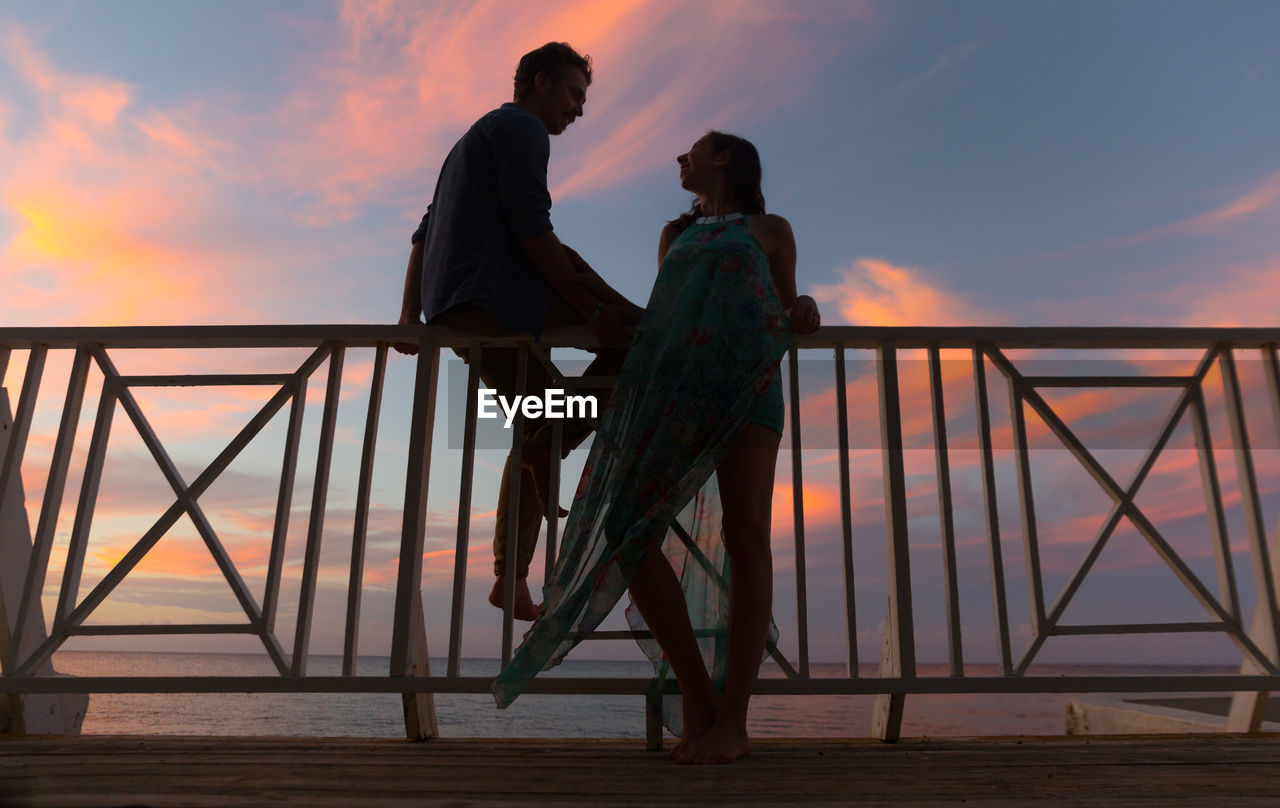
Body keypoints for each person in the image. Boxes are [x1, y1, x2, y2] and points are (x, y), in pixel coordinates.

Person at [493, 131, 821, 764]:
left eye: (691, 151)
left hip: (749, 389)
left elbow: (786, 304)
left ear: (723, 157)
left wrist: (805, 304)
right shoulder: (675, 234)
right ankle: (697, 693)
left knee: (747, 535)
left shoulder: (771, 228)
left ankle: (735, 721)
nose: (680, 159)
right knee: (626, 526)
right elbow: (663, 315)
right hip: (676, 394)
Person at [395, 42, 642, 621]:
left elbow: (422, 235)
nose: (579, 110)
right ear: (539, 82)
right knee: (636, 350)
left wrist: (410, 313)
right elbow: (532, 228)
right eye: (574, 94)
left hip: (457, 305)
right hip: (494, 296)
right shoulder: (522, 130)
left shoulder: (468, 143)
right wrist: (592, 310)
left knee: (544, 424)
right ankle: (636, 329)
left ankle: (511, 577)